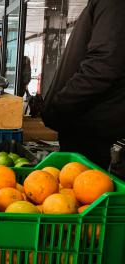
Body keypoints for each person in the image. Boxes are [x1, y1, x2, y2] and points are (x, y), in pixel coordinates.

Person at [42, 0, 125, 168]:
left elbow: (103, 66)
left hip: (93, 130)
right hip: (89, 127)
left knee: (86, 189)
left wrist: (58, 107)